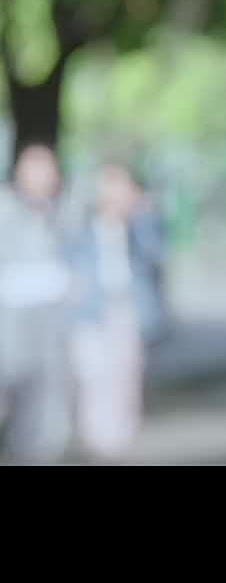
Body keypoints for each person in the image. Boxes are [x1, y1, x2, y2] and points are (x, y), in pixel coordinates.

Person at [64, 160, 149, 463]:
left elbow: (155, 255)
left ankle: (117, 442)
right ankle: (97, 442)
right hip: (92, 313)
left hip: (126, 311)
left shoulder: (136, 230)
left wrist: (140, 213)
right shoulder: (82, 230)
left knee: (126, 377)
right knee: (93, 376)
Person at [0, 143, 76, 464]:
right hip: (10, 326)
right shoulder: (5, 210)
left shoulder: (62, 212)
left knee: (45, 402)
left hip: (49, 328)